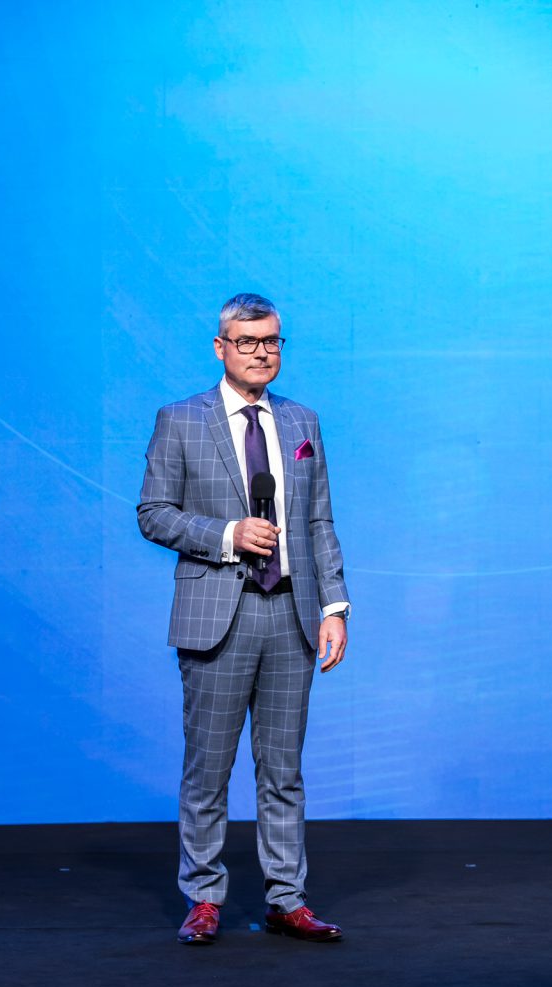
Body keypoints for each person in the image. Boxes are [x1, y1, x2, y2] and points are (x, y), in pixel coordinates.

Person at [138, 293, 350, 944]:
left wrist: (334, 606)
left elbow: (318, 520)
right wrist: (228, 534)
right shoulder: (181, 419)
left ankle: (286, 899)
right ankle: (204, 898)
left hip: (291, 614)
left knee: (283, 770)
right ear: (221, 348)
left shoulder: (302, 421)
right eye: (248, 341)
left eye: (272, 341)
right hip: (216, 617)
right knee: (208, 769)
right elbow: (153, 513)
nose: (262, 353)